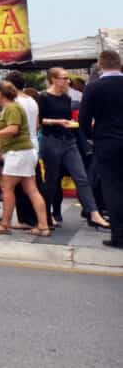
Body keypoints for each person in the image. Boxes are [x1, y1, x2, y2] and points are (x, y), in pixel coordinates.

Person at [0, 81, 50, 236]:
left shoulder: (11, 108)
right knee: (31, 189)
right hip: (25, 152)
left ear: (0, 94)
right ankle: (43, 226)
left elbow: (13, 129)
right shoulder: (13, 107)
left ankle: (5, 224)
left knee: (7, 189)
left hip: (17, 153)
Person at [35, 68, 105, 229]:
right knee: (52, 181)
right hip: (51, 141)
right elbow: (40, 121)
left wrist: (71, 124)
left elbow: (68, 118)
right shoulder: (43, 97)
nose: (68, 81)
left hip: (69, 141)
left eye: (68, 78)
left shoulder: (66, 98)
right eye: (64, 78)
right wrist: (58, 122)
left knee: (82, 178)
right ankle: (47, 215)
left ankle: (94, 213)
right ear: (53, 79)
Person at [79, 49, 123, 249]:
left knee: (112, 188)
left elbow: (84, 119)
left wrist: (91, 137)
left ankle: (119, 236)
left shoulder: (94, 87)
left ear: (100, 65)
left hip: (107, 142)